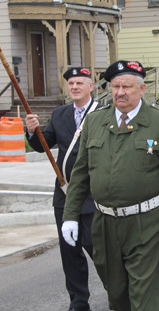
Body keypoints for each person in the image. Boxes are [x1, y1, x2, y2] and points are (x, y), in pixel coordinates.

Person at [61, 60, 159, 311]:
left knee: (144, 296)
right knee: (117, 294)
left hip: (146, 222)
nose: (120, 92)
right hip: (104, 223)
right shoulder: (94, 122)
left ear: (142, 89)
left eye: (127, 86)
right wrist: (70, 215)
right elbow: (80, 174)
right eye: (115, 86)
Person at [26, 67, 102, 311]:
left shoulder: (105, 113)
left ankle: (117, 293)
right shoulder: (59, 114)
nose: (74, 87)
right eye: (71, 83)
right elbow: (44, 145)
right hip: (65, 194)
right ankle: (79, 301)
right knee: (70, 253)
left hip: (95, 194)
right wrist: (32, 131)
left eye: (80, 82)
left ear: (91, 86)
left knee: (98, 249)